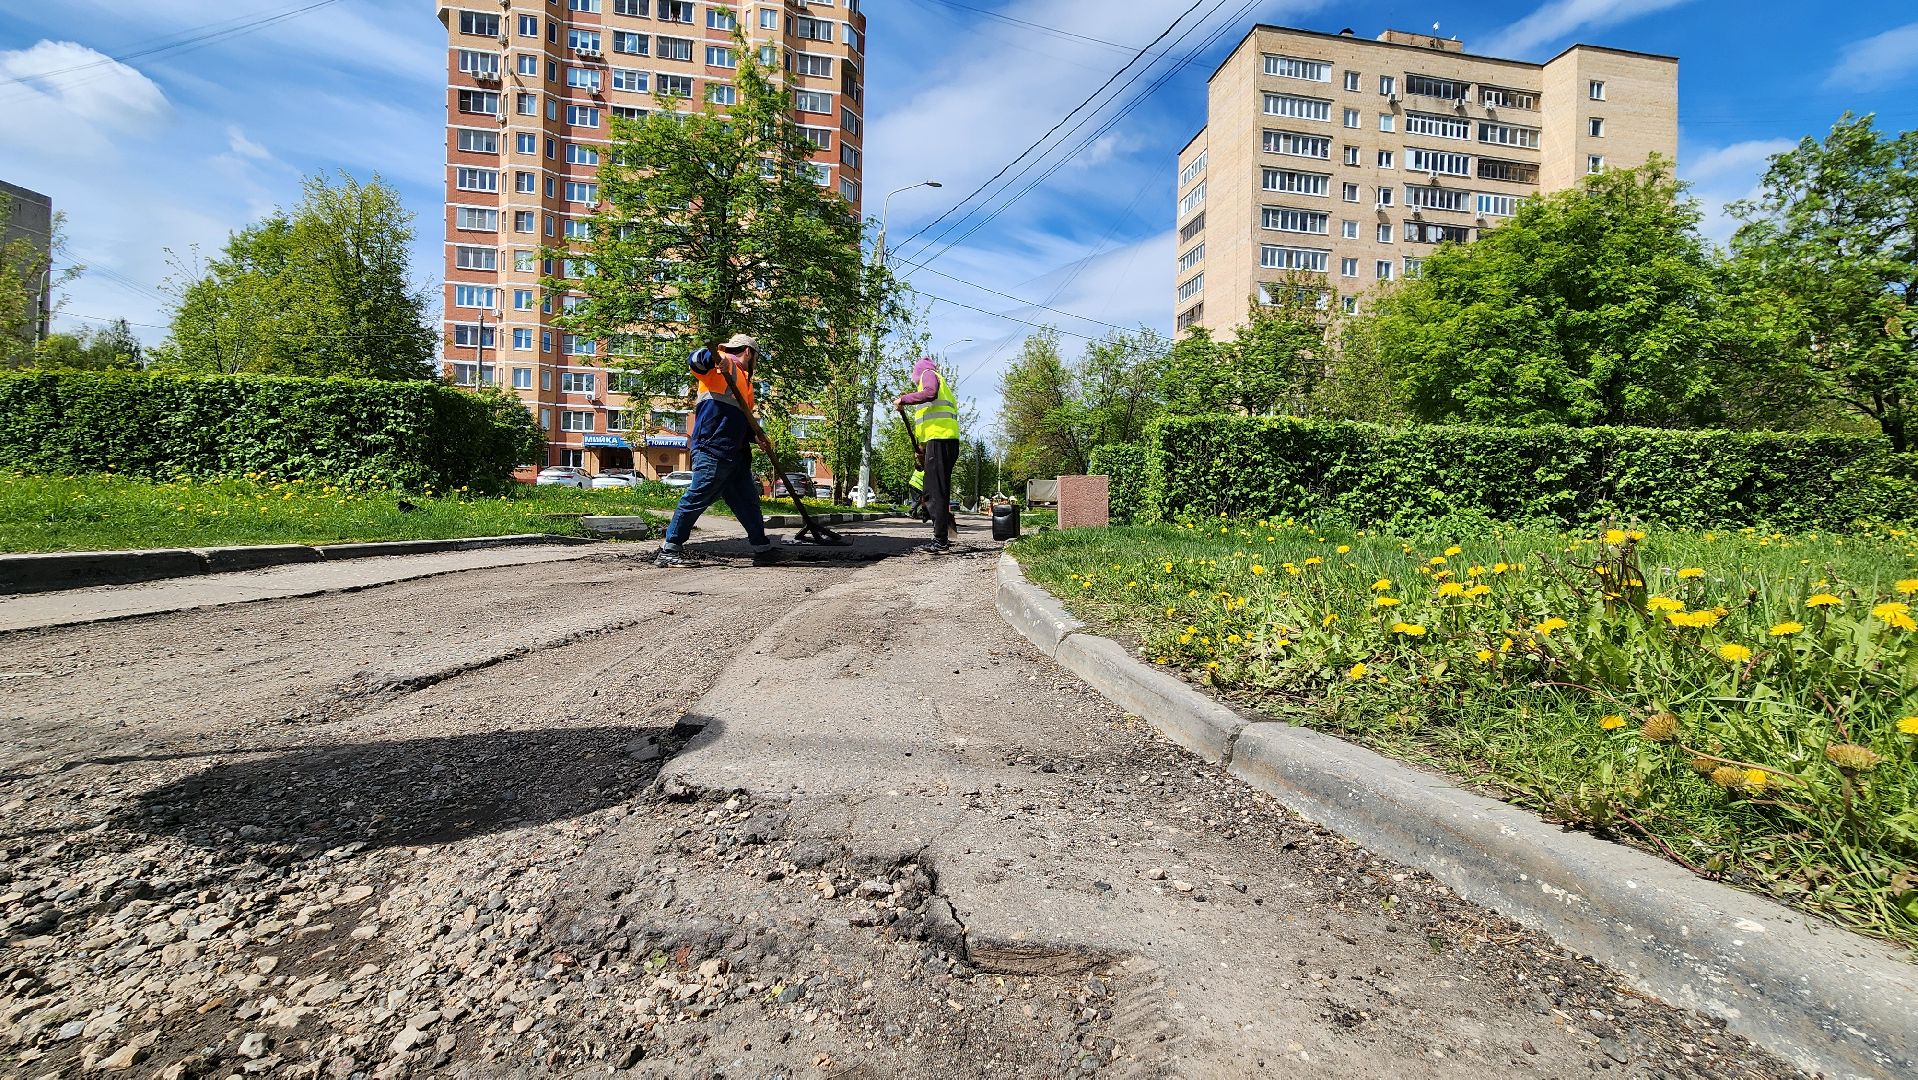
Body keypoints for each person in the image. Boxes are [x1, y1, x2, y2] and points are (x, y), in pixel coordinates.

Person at [655, 334, 783, 568]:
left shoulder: (745, 382)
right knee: (697, 497)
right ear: (749, 352)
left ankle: (762, 549)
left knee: (748, 503)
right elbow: (694, 360)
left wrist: (756, 437)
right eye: (756, 358)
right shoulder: (722, 361)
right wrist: (715, 360)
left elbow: (741, 420)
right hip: (713, 447)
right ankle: (669, 549)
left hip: (736, 453)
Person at [895, 355, 961, 553]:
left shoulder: (928, 374)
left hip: (940, 441)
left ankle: (940, 540)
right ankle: (942, 536)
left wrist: (904, 399)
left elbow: (930, 393)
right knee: (938, 490)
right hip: (942, 441)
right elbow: (931, 418)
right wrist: (923, 450)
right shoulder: (937, 379)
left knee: (933, 491)